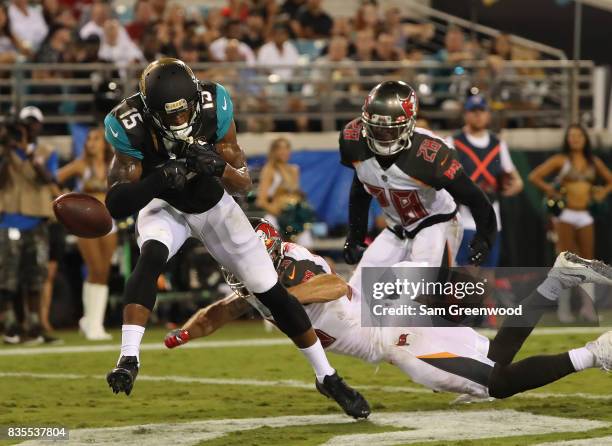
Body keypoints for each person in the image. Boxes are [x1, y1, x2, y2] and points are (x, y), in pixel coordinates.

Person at [101, 58, 370, 419]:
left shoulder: (214, 105)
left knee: (269, 289)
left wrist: (216, 166)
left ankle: (328, 376)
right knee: (150, 256)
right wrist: (159, 179)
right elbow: (116, 204)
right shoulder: (128, 122)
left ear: (196, 99)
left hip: (213, 204)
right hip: (164, 204)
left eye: (185, 112)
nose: (181, 121)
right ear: (150, 111)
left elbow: (243, 184)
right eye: (171, 116)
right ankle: (129, 357)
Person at [166, 218, 612, 401]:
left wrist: (278, 299)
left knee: (495, 384)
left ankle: (596, 353)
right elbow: (218, 313)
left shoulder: (293, 267)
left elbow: (333, 284)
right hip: (390, 315)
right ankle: (558, 279)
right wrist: (184, 334)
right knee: (496, 361)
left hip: (394, 334)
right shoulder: (262, 278)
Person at [340, 81, 497, 294]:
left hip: (436, 223)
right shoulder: (353, 139)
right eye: (375, 128)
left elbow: (473, 196)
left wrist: (485, 236)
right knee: (358, 291)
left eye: (389, 130)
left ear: (408, 124)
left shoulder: (429, 154)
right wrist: (355, 235)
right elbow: (361, 187)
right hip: (396, 228)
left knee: (418, 290)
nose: (381, 136)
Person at [529, 124, 612, 322]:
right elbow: (534, 176)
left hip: (585, 215)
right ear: (567, 139)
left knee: (588, 263)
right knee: (565, 261)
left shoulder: (593, 162)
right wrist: (550, 190)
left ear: (585, 139)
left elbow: (610, 180)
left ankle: (587, 308)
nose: (575, 139)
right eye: (571, 136)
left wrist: (601, 192)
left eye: (579, 136)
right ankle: (564, 309)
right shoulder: (561, 160)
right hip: (565, 214)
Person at [0, 119, 58, 345]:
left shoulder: (46, 152)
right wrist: (7, 150)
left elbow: (47, 178)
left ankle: (35, 326)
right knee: (7, 278)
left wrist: (27, 152)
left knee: (35, 277)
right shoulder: (4, 153)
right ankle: (11, 325)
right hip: (8, 221)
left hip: (36, 222)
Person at [56, 128, 117, 340]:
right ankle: (92, 323)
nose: (91, 143)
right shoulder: (81, 164)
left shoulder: (113, 164)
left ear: (104, 143)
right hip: (84, 225)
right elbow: (54, 178)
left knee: (104, 272)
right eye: (89, 139)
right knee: (95, 268)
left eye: (96, 139)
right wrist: (62, 202)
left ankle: (92, 322)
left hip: (110, 222)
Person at [449, 95, 523, 267]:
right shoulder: (454, 142)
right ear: (466, 114)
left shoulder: (498, 144)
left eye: (482, 111)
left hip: (491, 219)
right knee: (466, 273)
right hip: (464, 218)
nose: (478, 115)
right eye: (473, 111)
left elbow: (517, 180)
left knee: (489, 274)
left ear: (488, 115)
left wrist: (512, 187)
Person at [256, 137, 312, 247]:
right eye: (280, 148)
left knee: (306, 248)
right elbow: (261, 201)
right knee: (278, 249)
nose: (284, 152)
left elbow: (295, 195)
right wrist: (281, 215)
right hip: (276, 217)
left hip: (294, 218)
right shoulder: (269, 170)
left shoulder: (294, 170)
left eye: (287, 148)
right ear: (274, 151)